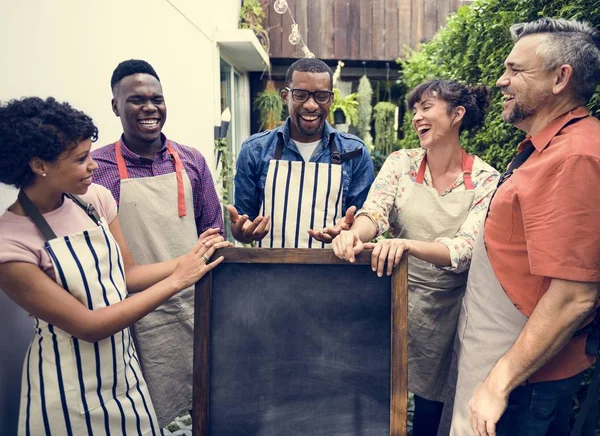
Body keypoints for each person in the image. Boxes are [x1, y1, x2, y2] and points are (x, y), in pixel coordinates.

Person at [0, 96, 230, 435]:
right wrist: (177, 280)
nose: (93, 165)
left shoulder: (95, 201)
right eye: (80, 159)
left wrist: (188, 259)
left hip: (127, 376)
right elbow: (89, 326)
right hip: (67, 391)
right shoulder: (10, 244)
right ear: (39, 165)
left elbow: (127, 275)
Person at [445, 18, 600, 436]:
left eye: (516, 70)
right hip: (502, 362)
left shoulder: (575, 157)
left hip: (525, 385)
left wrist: (498, 384)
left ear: (560, 78)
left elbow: (574, 296)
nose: (500, 81)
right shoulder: (543, 149)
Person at [331, 79, 500, 435]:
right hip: (391, 300)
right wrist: (352, 235)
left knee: (430, 415)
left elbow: (465, 250)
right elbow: (374, 213)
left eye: (426, 107)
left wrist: (407, 245)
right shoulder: (401, 163)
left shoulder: (486, 179)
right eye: (414, 110)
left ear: (457, 115)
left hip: (447, 313)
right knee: (374, 400)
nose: (416, 117)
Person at [91, 59, 224, 426]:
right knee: (141, 412)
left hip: (196, 304)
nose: (149, 108)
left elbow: (213, 231)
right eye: (136, 100)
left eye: (157, 99)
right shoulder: (95, 169)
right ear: (115, 105)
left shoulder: (192, 160)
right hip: (135, 314)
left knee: (205, 401)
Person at [228, 58, 375, 248]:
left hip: (335, 273)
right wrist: (242, 232)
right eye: (300, 95)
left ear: (331, 99)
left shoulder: (355, 152)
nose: (311, 105)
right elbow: (242, 220)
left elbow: (365, 221)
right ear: (285, 97)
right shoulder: (255, 150)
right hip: (269, 274)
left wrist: (349, 233)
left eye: (321, 96)